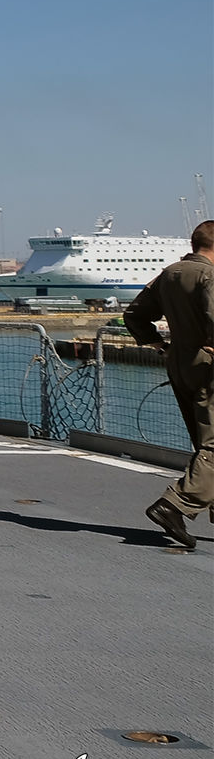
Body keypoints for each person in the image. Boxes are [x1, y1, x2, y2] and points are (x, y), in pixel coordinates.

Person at [122, 219, 214, 551]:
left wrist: (157, 343)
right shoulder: (209, 275)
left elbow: (134, 314)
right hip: (208, 368)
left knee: (205, 442)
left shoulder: (171, 273)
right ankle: (173, 505)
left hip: (179, 364)